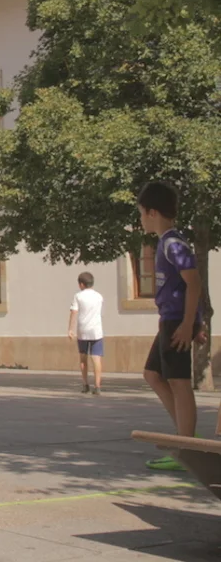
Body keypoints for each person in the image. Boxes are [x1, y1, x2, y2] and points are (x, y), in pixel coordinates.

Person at [137, 181, 206, 470]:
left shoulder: (173, 244)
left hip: (177, 321)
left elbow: (194, 283)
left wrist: (190, 323)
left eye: (141, 213)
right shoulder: (166, 242)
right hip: (170, 320)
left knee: (179, 382)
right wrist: (195, 322)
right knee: (152, 374)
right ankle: (186, 435)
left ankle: (187, 446)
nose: (141, 219)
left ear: (152, 212)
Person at [67, 271, 104, 395]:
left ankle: (85, 384)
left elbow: (74, 312)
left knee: (83, 358)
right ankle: (97, 386)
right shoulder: (99, 296)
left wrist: (70, 329)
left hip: (83, 330)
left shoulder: (78, 296)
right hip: (96, 330)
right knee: (96, 358)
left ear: (81, 284)